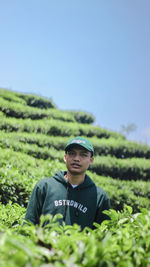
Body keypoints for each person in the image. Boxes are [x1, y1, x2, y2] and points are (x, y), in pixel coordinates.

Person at [25, 136, 110, 229]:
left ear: (91, 160)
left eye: (83, 155)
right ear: (65, 157)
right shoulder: (44, 187)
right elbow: (28, 225)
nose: (77, 159)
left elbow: (103, 236)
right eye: (72, 153)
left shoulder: (99, 197)